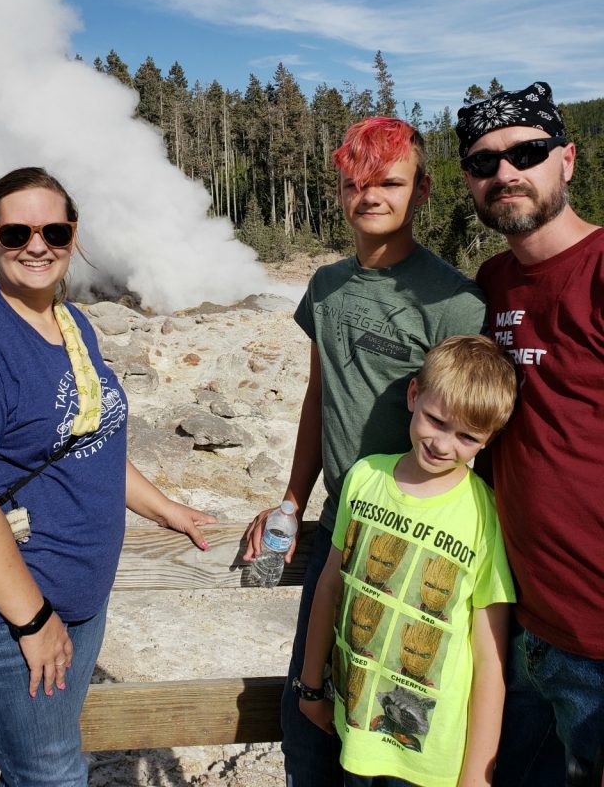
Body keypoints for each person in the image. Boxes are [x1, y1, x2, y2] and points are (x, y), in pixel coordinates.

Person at [0, 167, 216, 787]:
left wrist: (168, 511)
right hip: (7, 617)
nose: (36, 244)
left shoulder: (69, 320)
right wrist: (32, 620)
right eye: (16, 231)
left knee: (45, 766)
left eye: (53, 229)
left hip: (78, 604)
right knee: (52, 774)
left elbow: (93, 440)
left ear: (73, 235)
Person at [243, 117, 488, 786]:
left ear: (423, 190)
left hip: (417, 537)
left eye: (388, 181)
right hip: (341, 524)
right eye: (355, 183)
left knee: (387, 729)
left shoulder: (453, 301)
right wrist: (292, 499)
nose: (369, 196)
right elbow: (319, 395)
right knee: (307, 713)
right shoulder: (326, 288)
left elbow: (467, 424)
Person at [457, 83, 604, 787]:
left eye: (529, 152)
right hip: (525, 628)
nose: (506, 173)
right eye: (485, 162)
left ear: (567, 160)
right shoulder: (491, 283)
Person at [298, 335, 516, 787]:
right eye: (436, 420)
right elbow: (330, 586)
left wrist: (478, 773)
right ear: (413, 396)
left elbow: (490, 655)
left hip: (428, 760)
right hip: (355, 729)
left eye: (467, 436)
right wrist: (309, 686)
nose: (442, 444)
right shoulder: (365, 477)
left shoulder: (487, 516)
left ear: (488, 440)